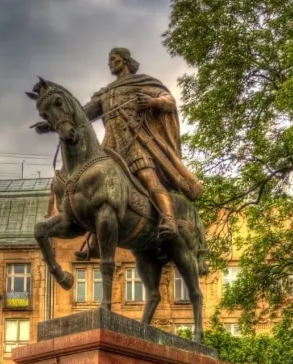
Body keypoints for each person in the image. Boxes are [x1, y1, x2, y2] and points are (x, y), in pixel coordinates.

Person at [38, 47, 203, 258]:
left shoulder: (141, 82)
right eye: (109, 60)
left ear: (125, 61)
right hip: (110, 148)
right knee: (103, 195)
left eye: (114, 59)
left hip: (134, 142)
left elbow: (168, 100)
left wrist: (154, 102)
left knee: (148, 179)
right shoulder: (105, 93)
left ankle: (169, 220)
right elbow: (81, 115)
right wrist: (53, 123)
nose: (110, 63)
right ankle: (96, 243)